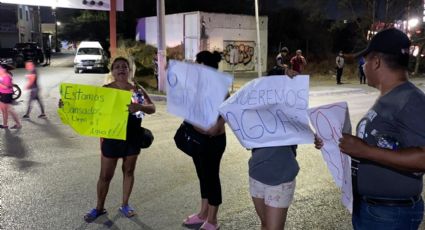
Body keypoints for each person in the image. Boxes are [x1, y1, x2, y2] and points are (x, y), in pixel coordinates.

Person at [315, 28, 425, 229]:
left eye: (365, 62)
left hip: (390, 214)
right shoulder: (390, 97)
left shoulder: (410, 100)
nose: (363, 67)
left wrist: (365, 151)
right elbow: (380, 144)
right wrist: (336, 141)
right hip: (373, 209)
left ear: (376, 63)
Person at [81, 57, 156, 222]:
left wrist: (140, 107)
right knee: (105, 176)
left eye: (124, 67)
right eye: (117, 67)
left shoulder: (136, 90)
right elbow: (86, 109)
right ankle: (99, 208)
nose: (121, 69)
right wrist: (67, 105)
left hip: (133, 137)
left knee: (129, 171)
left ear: (129, 70)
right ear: (112, 71)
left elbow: (152, 108)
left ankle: (125, 204)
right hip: (112, 138)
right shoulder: (106, 90)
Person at [249, 70, 299, 230]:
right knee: (264, 224)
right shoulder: (256, 111)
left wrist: (317, 139)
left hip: (281, 178)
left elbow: (306, 132)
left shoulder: (291, 110)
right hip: (257, 173)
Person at [182, 51, 226, 230]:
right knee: (203, 176)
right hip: (197, 137)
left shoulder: (218, 83)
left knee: (212, 177)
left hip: (213, 139)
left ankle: (213, 220)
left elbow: (227, 109)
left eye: (196, 62)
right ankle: (203, 214)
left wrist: (217, 126)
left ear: (203, 64)